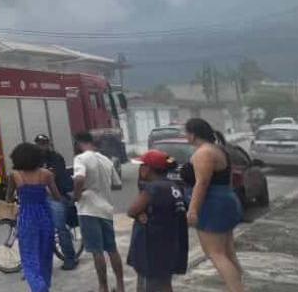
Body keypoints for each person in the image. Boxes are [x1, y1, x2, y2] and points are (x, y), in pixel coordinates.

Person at [180, 118, 244, 292]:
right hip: (224, 199)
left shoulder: (204, 153)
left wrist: (193, 210)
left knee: (216, 253)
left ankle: (236, 288)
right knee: (227, 252)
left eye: (185, 132)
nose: (184, 136)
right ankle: (237, 287)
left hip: (212, 204)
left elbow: (202, 183)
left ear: (193, 134)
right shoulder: (218, 149)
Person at [127, 150, 189, 292]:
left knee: (152, 285)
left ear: (148, 168)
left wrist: (138, 214)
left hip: (153, 248)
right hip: (169, 244)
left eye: (142, 165)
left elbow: (132, 210)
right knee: (164, 283)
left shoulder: (153, 188)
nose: (140, 169)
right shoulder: (173, 186)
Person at [73, 131, 125, 292]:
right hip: (106, 210)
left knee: (96, 251)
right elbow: (118, 185)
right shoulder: (106, 160)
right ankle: (121, 285)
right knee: (112, 248)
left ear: (78, 143)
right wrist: (101, 185)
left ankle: (103, 287)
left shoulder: (80, 158)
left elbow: (79, 178)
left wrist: (77, 195)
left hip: (88, 210)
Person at [5, 142, 61, 292]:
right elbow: (56, 196)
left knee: (29, 259)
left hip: (27, 219)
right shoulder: (47, 174)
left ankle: (39, 288)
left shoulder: (15, 176)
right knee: (45, 256)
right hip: (45, 216)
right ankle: (45, 285)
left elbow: (8, 198)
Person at [35, 134, 78, 270]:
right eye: (39, 143)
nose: (41, 146)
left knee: (60, 227)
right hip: (40, 196)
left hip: (56, 195)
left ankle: (70, 258)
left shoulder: (56, 158)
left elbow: (53, 177)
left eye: (43, 143)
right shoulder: (34, 160)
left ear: (48, 144)